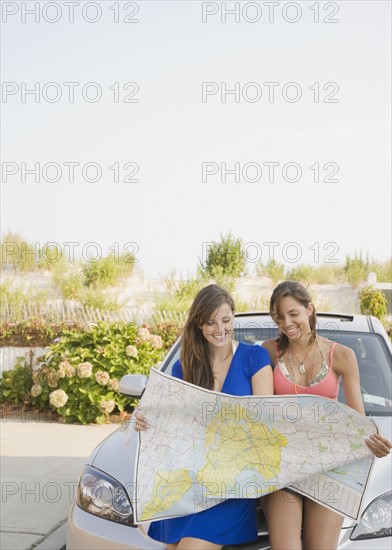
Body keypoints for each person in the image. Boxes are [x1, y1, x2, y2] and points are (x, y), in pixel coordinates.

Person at [134, 284, 274, 550]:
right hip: (188, 485)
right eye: (211, 322)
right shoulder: (183, 367)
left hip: (231, 487)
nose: (220, 329)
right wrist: (147, 421)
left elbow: (262, 424)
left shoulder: (255, 357)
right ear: (198, 324)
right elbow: (171, 424)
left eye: (226, 320)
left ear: (234, 316)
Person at [261, 280, 391, 550]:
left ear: (309, 309)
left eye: (293, 313)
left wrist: (374, 441)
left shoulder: (342, 356)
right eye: (279, 317)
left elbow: (358, 422)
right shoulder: (268, 352)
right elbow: (245, 402)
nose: (287, 323)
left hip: (331, 467)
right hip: (283, 466)